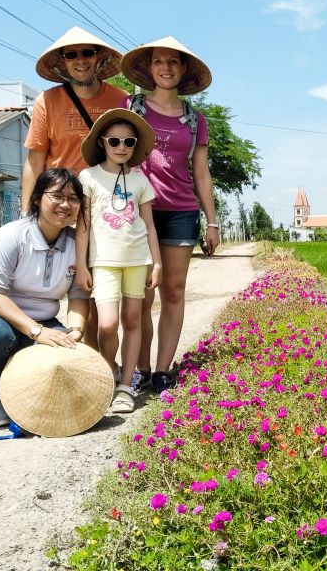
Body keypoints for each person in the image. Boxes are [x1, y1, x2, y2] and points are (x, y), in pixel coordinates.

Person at [120, 37, 220, 394]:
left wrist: (212, 221)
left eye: (173, 63)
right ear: (149, 69)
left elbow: (201, 173)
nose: (165, 68)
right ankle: (139, 367)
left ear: (183, 70)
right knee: (141, 294)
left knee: (173, 292)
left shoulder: (196, 121)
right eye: (159, 62)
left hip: (180, 211)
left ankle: (163, 369)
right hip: (136, 212)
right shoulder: (131, 107)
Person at [20, 26, 127, 357]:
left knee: (99, 293)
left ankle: (99, 365)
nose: (80, 60)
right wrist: (28, 216)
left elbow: (131, 153)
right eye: (72, 54)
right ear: (62, 63)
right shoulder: (48, 101)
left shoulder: (119, 100)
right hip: (61, 207)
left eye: (87, 53)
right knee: (57, 288)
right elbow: (34, 162)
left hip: (105, 210)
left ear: (99, 58)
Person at [0, 169, 90, 428]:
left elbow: (78, 296)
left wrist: (75, 330)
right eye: (56, 195)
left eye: (73, 198)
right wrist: (35, 331)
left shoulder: (76, 244)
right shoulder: (12, 235)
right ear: (36, 199)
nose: (65, 204)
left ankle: (20, 391)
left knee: (64, 359)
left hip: (41, 320)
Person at [75, 109, 161, 413]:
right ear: (102, 142)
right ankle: (108, 372)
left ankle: (126, 385)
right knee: (108, 323)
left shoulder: (140, 180)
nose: (121, 146)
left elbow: (149, 225)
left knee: (133, 320)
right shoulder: (88, 177)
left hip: (138, 260)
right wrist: (82, 265)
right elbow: (83, 225)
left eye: (128, 141)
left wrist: (158, 263)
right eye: (114, 141)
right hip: (104, 262)